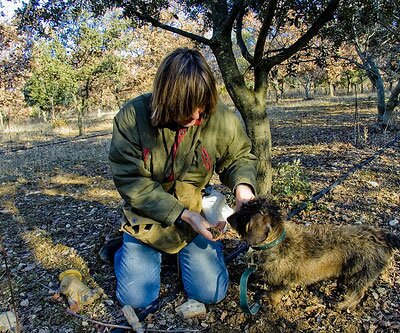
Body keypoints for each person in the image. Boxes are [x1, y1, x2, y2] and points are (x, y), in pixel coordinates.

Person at [108, 47, 258, 316]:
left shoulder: (218, 116)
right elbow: (131, 181)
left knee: (211, 293)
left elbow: (239, 156)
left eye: (203, 109)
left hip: (196, 208)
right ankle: (122, 251)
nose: (198, 118)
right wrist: (184, 215)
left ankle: (183, 256)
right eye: (190, 112)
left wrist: (242, 186)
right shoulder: (132, 118)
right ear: (167, 101)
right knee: (137, 299)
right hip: (148, 216)